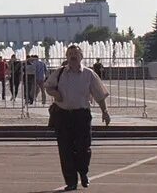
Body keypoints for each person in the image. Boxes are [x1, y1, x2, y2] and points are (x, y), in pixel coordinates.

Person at [44, 45, 111, 191]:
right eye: (70, 54)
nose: (73, 56)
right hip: (63, 115)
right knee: (65, 150)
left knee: (83, 148)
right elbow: (48, 86)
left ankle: (83, 172)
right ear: (66, 57)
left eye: (76, 53)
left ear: (82, 56)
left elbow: (99, 94)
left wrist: (105, 111)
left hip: (81, 115)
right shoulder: (60, 72)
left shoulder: (89, 74)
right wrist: (55, 94)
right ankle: (71, 181)